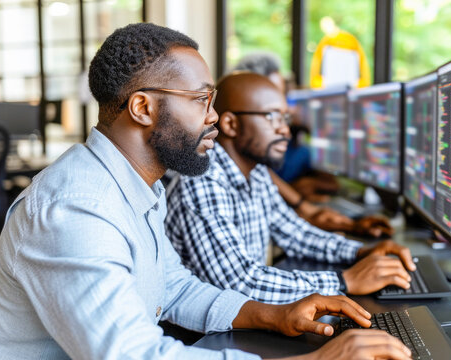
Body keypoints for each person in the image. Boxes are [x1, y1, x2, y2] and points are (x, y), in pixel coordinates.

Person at [0, 23, 411, 360]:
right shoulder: (76, 210)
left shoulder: (136, 186)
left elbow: (174, 287)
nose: (213, 117)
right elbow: (133, 355)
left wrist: (273, 315)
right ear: (143, 108)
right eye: (201, 99)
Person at [164, 72, 416, 306]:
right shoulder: (202, 180)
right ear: (231, 124)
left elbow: (295, 233)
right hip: (206, 337)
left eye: (285, 118)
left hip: (245, 317)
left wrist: (360, 252)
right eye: (272, 116)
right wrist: (344, 281)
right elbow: (240, 281)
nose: (284, 129)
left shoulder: (257, 171)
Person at [231, 52, 392, 236]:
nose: (286, 107)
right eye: (273, 104)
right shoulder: (218, 175)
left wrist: (352, 232)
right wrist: (303, 206)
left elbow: (291, 229)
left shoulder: (263, 167)